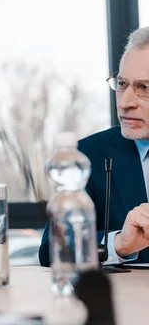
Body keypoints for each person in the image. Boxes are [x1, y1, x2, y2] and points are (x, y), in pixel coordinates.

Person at [39, 26, 149, 266]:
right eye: (122, 83)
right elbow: (52, 248)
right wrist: (119, 244)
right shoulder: (89, 154)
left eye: (144, 88)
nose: (126, 102)